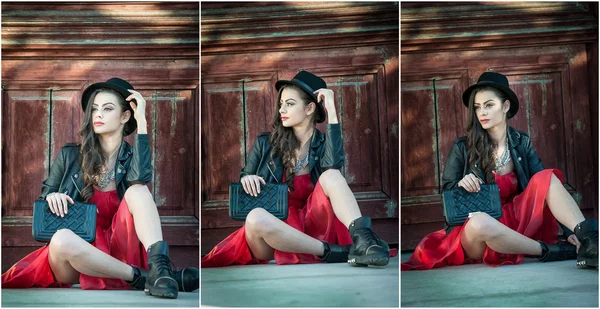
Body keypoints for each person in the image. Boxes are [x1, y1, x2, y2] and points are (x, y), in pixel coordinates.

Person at [2, 78, 199, 298]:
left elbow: (140, 179)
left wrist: (141, 121)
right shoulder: (70, 156)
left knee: (138, 190)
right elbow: (44, 200)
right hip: (80, 258)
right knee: (61, 239)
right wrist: (52, 197)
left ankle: (159, 267)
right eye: (95, 109)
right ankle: (145, 277)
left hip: (123, 248)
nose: (98, 114)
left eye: (107, 108)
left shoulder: (133, 157)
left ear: (125, 116)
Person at [401, 72, 598, 271]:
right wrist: (461, 184)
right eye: (477, 107)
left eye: (489, 105)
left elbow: (545, 187)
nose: (482, 113)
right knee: (480, 222)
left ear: (505, 106)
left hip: (515, 221)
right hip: (478, 231)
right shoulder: (462, 147)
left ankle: (589, 240)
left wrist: (567, 231)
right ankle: (549, 250)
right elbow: (447, 191)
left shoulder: (521, 142)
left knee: (547, 176)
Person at [202, 70, 396, 267]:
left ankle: (365, 241)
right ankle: (332, 252)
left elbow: (333, 167)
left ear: (310, 108)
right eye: (281, 104)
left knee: (331, 176)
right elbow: (247, 173)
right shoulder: (264, 143)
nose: (281, 110)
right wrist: (246, 178)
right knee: (255, 217)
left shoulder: (322, 144)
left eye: (290, 104)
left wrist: (331, 109)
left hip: (315, 224)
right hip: (276, 232)